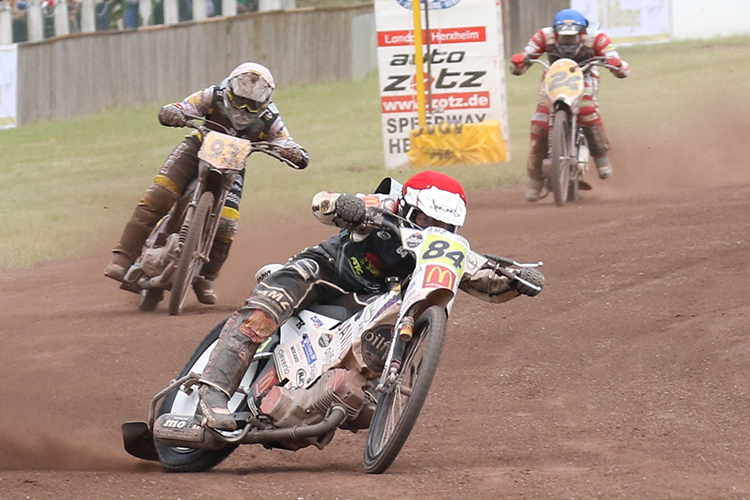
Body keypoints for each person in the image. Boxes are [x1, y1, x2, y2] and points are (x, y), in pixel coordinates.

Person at [194, 170, 545, 431]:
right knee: (267, 308)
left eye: (444, 225)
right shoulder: (383, 205)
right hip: (326, 271)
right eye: (425, 220)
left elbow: (486, 279)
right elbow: (324, 203)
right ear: (407, 206)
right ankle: (213, 392)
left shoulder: (448, 251)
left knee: (373, 366)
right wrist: (347, 207)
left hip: (365, 307)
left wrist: (519, 281)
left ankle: (331, 397)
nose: (433, 229)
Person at [104, 62, 309, 304]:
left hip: (233, 164)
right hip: (195, 149)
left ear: (265, 101)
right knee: (159, 196)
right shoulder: (212, 96)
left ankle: (206, 278)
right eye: (239, 100)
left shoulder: (270, 118)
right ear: (229, 89)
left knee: (228, 222)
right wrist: (174, 112)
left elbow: (285, 141)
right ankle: (123, 257)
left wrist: (295, 153)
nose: (243, 108)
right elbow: (184, 106)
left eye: (252, 104)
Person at [510, 8, 630, 202]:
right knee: (539, 124)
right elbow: (521, 64)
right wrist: (519, 62)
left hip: (586, 76)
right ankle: (535, 179)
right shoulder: (543, 35)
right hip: (553, 78)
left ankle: (601, 159)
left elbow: (618, 64)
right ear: (556, 35)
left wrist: (617, 64)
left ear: (582, 35)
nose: (567, 43)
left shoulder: (597, 38)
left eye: (571, 39)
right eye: (563, 39)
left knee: (587, 111)